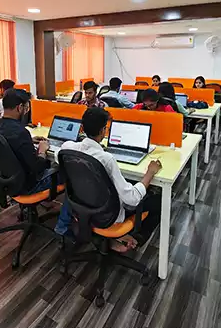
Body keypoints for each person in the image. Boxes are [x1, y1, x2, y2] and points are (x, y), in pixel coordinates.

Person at [55, 107, 162, 250]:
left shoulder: (67, 148)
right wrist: (150, 173)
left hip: (79, 208)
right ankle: (134, 239)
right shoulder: (106, 159)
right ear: (103, 131)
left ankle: (110, 239)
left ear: (82, 128)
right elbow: (132, 199)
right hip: (107, 216)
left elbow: (57, 155)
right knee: (158, 201)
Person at [0, 88, 59, 194]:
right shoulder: (21, 132)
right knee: (65, 172)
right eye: (26, 108)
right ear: (20, 107)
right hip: (29, 185)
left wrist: (30, 141)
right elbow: (37, 168)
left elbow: (10, 144)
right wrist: (42, 151)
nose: (26, 112)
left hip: (8, 181)